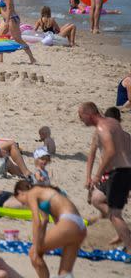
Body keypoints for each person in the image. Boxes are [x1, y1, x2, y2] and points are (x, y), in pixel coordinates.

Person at [79, 101, 131, 251]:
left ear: (89, 114)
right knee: (97, 199)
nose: (80, 120)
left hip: (119, 173)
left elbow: (110, 152)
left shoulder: (102, 128)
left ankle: (128, 244)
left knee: (115, 214)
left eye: (81, 116)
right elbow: (93, 154)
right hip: (119, 172)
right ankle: (122, 231)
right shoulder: (113, 123)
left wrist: (96, 176)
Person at [13, 181, 86, 278]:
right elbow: (44, 220)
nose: (24, 204)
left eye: (22, 201)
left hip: (69, 222)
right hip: (80, 226)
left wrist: (35, 244)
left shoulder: (31, 193)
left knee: (33, 253)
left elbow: (36, 221)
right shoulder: (44, 193)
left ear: (20, 192)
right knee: (64, 274)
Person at [0, 0, 36, 64]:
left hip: (12, 19)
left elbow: (9, 8)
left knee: (18, 39)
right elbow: (2, 8)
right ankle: (0, 60)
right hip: (6, 19)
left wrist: (7, 22)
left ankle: (32, 58)